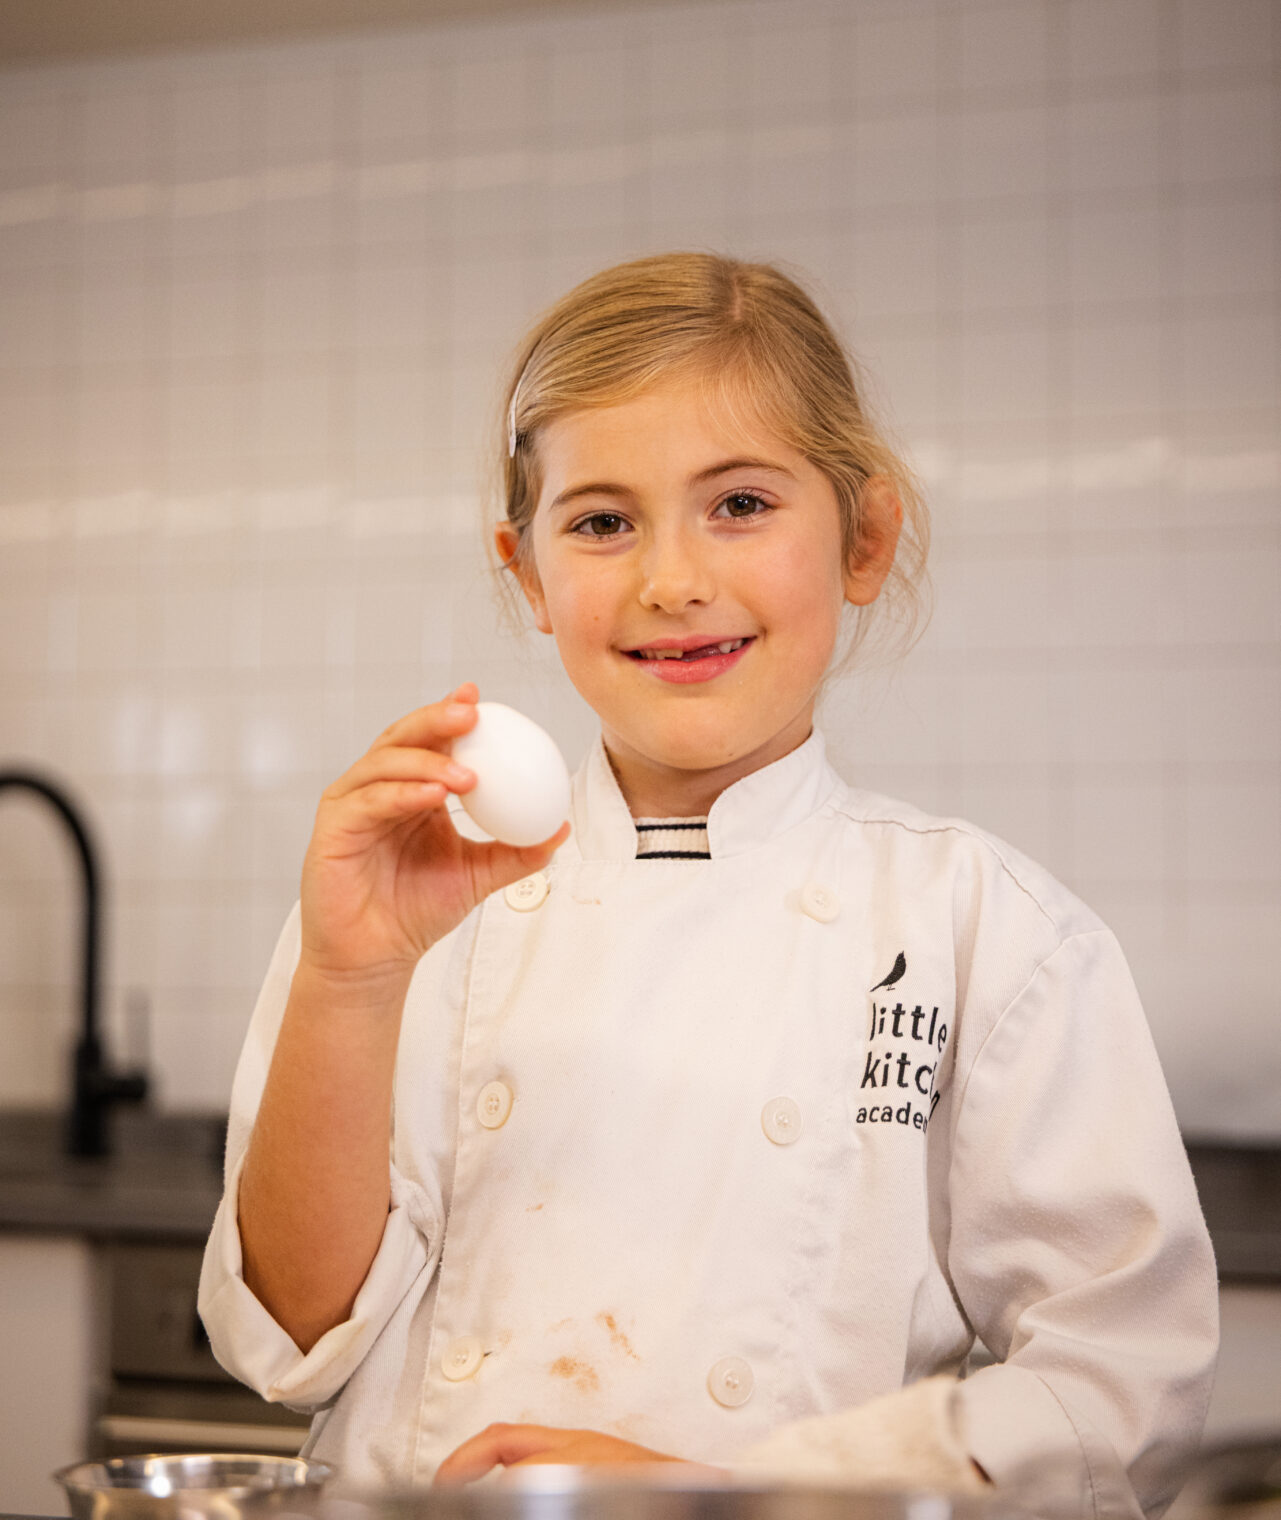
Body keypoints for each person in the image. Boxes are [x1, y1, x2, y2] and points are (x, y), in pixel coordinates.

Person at [199, 252, 1217, 1514]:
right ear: (527, 574)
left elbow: (1118, 1392)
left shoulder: (986, 934)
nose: (671, 579)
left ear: (866, 537)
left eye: (738, 504)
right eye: (602, 521)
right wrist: (350, 978)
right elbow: (291, 1343)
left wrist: (732, 1493)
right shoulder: (412, 903)